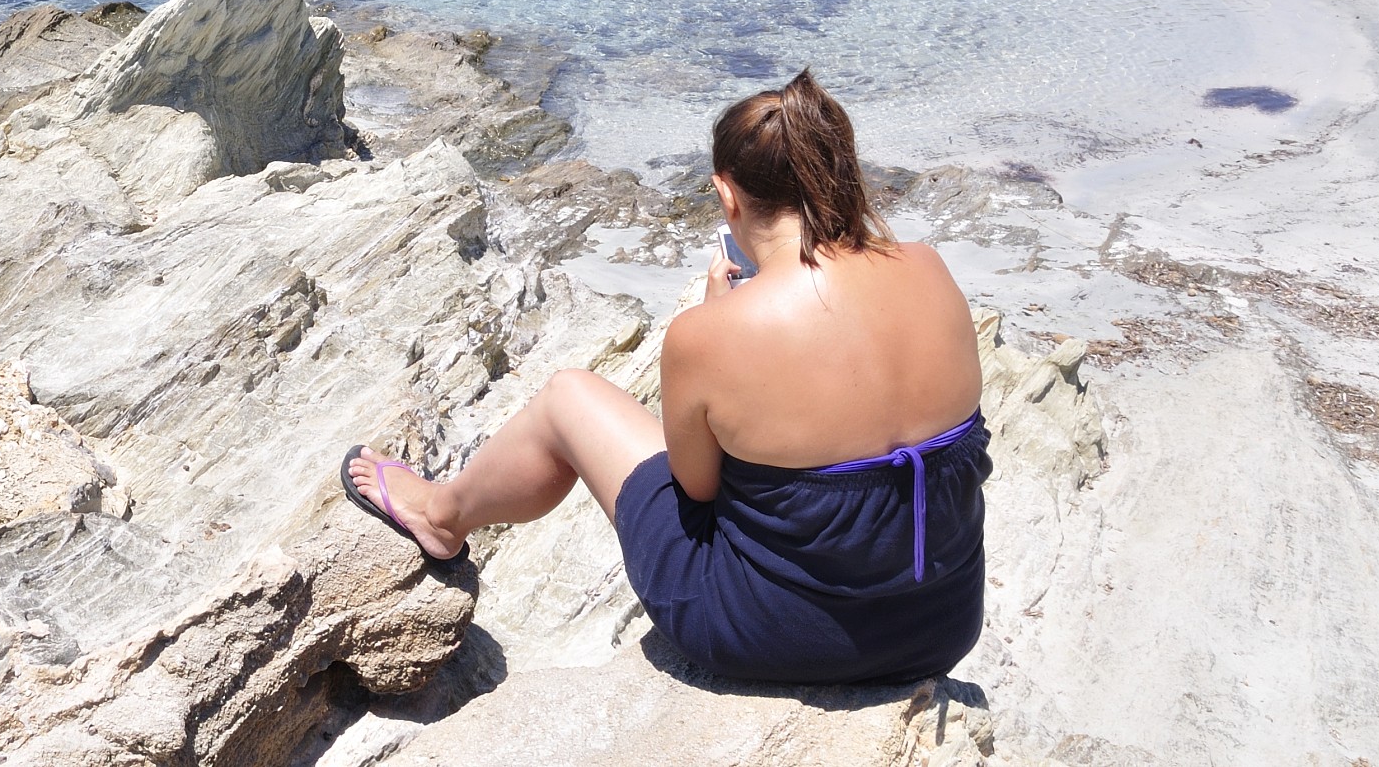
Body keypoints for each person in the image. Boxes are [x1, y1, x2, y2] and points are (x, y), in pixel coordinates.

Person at [342, 70, 989, 686]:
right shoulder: (930, 269)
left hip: (769, 637)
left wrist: (719, 321)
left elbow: (698, 489)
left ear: (727, 195)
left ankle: (441, 515)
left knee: (568, 397)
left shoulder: (712, 336)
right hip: (941, 627)